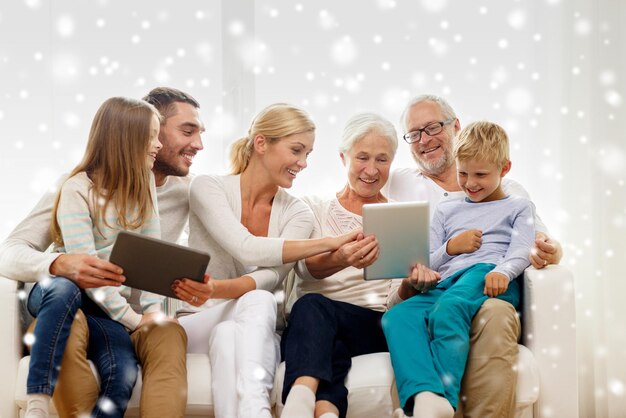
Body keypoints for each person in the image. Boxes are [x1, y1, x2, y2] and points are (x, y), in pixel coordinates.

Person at [0, 87, 205, 418]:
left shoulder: (189, 190)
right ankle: (48, 402)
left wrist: (151, 313)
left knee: (148, 347)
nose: (198, 144)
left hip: (127, 320)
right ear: (135, 133)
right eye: (187, 131)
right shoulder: (74, 187)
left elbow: (236, 232)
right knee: (67, 304)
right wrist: (58, 262)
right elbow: (8, 253)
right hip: (78, 302)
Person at [171, 103, 359, 418]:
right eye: (296, 150)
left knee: (233, 331)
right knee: (257, 300)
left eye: (308, 154)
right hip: (199, 320)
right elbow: (247, 248)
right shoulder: (208, 187)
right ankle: (257, 410)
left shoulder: (298, 212)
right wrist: (327, 242)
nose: (303, 163)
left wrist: (218, 288)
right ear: (261, 143)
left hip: (257, 331)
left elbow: (269, 277)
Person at [384, 94, 562, 417]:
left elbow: (526, 246)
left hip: (488, 275)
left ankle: (445, 400)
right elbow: (430, 261)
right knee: (397, 316)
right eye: (464, 175)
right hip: (449, 282)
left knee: (449, 309)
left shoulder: (516, 202)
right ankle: (426, 398)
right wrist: (452, 248)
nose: (469, 184)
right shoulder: (444, 206)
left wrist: (506, 271)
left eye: (433, 128)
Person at [24, 96, 165, 418]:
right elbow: (86, 270)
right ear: (125, 139)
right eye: (151, 136)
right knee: (65, 288)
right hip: (59, 290)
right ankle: (37, 404)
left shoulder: (144, 186)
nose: (158, 145)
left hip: (100, 308)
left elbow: (153, 259)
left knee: (122, 373)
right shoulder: (77, 189)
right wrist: (132, 318)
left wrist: (152, 312)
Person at [279, 113, 399, 418]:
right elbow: (304, 268)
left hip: (371, 324)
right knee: (322, 327)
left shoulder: (399, 216)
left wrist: (418, 281)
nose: (371, 170)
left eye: (382, 160)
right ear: (343, 157)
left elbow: (398, 296)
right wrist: (342, 258)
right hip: (315, 324)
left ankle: (297, 401)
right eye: (362, 157)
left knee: (313, 307)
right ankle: (325, 411)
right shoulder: (313, 208)